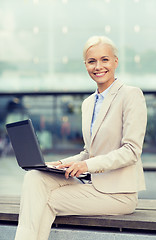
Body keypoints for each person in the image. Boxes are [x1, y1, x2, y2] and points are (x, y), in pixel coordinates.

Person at [14, 36, 147, 240]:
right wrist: (59, 164)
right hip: (91, 186)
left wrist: (87, 166)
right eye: (91, 61)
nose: (98, 66)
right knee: (34, 177)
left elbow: (131, 151)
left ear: (115, 62)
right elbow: (88, 152)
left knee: (44, 200)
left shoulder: (131, 95)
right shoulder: (88, 103)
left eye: (105, 60)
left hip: (119, 194)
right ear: (85, 65)